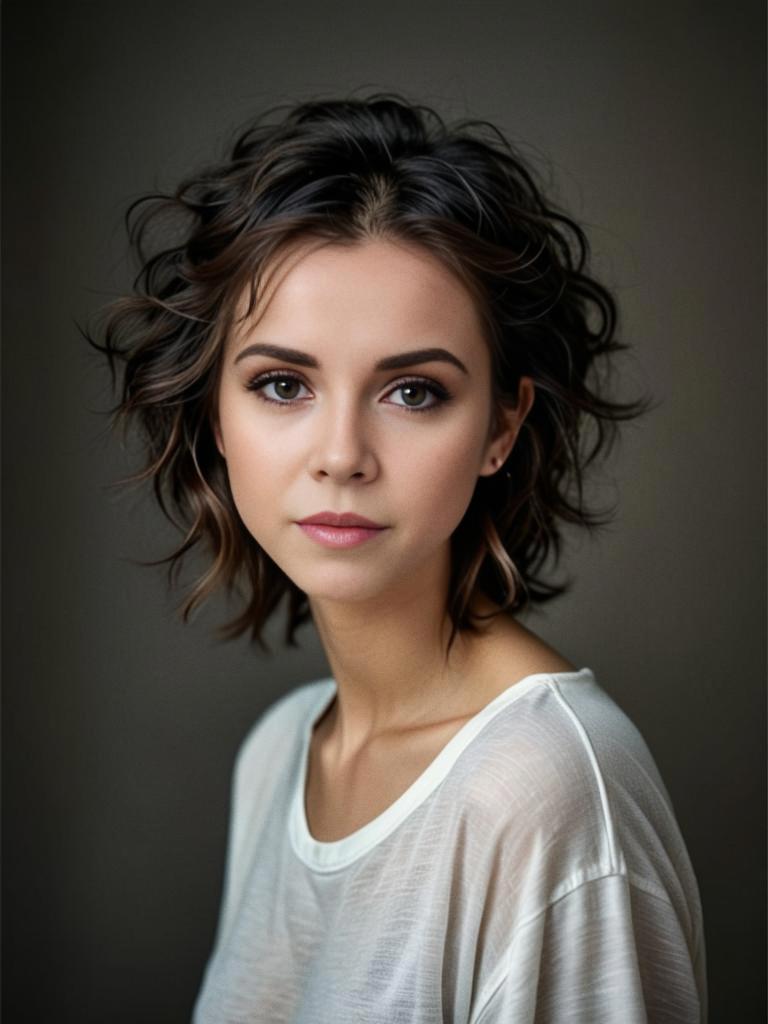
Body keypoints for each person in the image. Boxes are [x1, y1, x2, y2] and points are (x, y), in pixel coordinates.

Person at [90, 92, 707, 1022]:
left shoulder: (552, 794)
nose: (341, 453)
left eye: (414, 391)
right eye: (283, 384)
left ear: (502, 426)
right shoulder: (277, 758)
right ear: (214, 412)